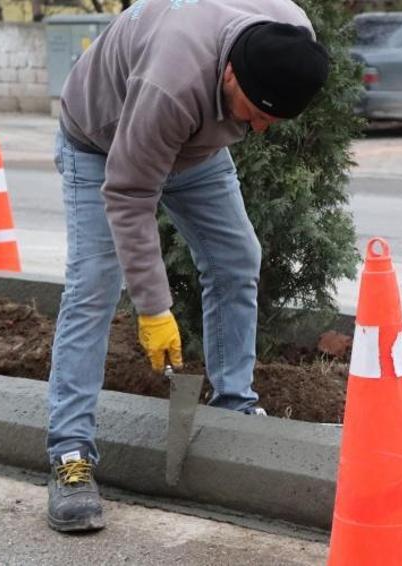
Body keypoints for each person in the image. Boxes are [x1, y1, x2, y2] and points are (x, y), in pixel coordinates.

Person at [46, 0, 329, 533]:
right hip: (102, 143)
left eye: (274, 119)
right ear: (229, 73)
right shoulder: (170, 85)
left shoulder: (289, 38)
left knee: (236, 257)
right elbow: (129, 193)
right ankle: (70, 453)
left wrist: (242, 117)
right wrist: (154, 309)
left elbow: (252, 104)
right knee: (94, 287)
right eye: (257, 114)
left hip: (191, 149)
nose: (262, 130)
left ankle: (233, 409)